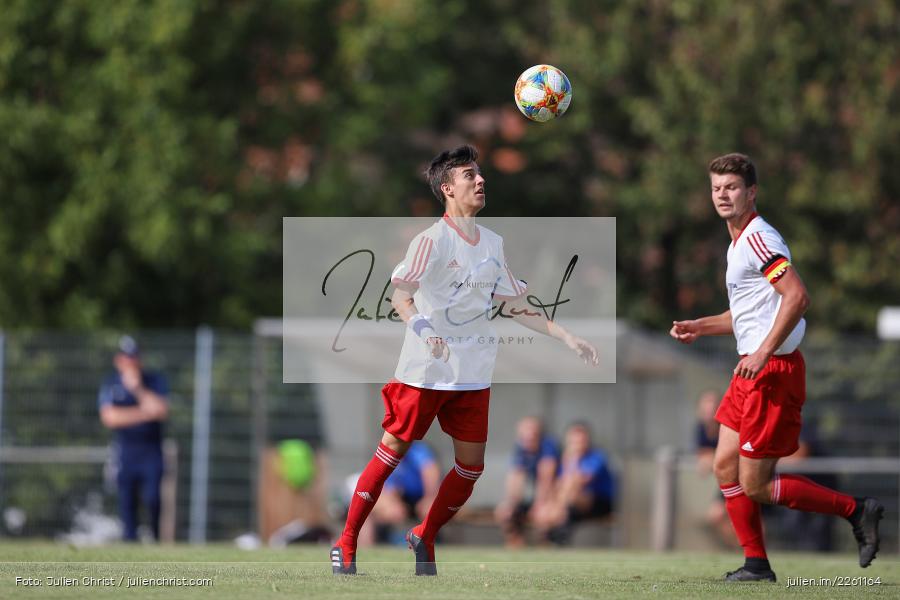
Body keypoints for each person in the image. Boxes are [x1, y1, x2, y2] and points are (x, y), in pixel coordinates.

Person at [330, 144, 599, 576]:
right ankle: (345, 543)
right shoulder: (430, 241)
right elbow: (401, 297)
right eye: (470, 175)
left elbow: (514, 305)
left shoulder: (493, 243)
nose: (480, 180)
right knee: (391, 454)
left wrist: (564, 334)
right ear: (447, 188)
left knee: (471, 468)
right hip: (424, 372)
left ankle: (424, 534)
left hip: (472, 375)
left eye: (480, 173)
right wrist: (427, 331)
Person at [669, 153, 883, 582]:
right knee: (724, 466)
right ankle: (756, 565)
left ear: (752, 192)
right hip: (750, 372)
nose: (723, 195)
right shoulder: (737, 243)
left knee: (757, 486)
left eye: (731, 187)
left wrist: (763, 353)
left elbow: (797, 297)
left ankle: (858, 510)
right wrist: (700, 325)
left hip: (772, 372)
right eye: (716, 188)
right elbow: (747, 316)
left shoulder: (760, 238)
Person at [98, 335, 169, 542]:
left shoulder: (154, 381)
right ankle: (130, 544)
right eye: (126, 357)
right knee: (127, 502)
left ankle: (155, 538)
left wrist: (137, 390)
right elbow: (110, 418)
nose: (130, 362)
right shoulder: (111, 384)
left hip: (151, 451)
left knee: (153, 498)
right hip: (125, 451)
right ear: (118, 360)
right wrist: (145, 412)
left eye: (134, 357)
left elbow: (161, 410)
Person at [531, 421, 615, 545]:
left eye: (581, 441)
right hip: (571, 503)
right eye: (574, 442)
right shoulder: (563, 460)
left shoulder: (596, 456)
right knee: (547, 510)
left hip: (600, 502)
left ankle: (557, 518)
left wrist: (573, 459)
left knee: (569, 492)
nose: (577, 445)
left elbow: (579, 481)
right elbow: (558, 485)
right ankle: (548, 540)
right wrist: (547, 504)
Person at [356, 441, 441, 546]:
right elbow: (388, 488)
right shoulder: (389, 452)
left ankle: (427, 545)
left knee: (429, 509)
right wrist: (393, 503)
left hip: (421, 497)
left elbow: (431, 474)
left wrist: (429, 498)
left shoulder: (418, 451)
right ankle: (365, 547)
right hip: (402, 499)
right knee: (371, 507)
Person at [494, 416, 560, 548]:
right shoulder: (520, 447)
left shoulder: (548, 446)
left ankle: (546, 545)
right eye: (524, 437)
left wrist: (540, 504)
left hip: (557, 495)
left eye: (532, 435)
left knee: (543, 514)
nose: (528, 440)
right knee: (505, 512)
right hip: (540, 496)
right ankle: (516, 546)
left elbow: (546, 478)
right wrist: (511, 504)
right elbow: (515, 477)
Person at [694, 390, 737, 548]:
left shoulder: (728, 425)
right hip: (728, 479)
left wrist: (713, 458)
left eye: (713, 404)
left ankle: (756, 556)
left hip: (743, 477)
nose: (709, 408)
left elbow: (730, 453)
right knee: (716, 517)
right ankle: (746, 553)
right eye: (705, 404)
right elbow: (703, 453)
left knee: (751, 518)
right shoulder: (700, 428)